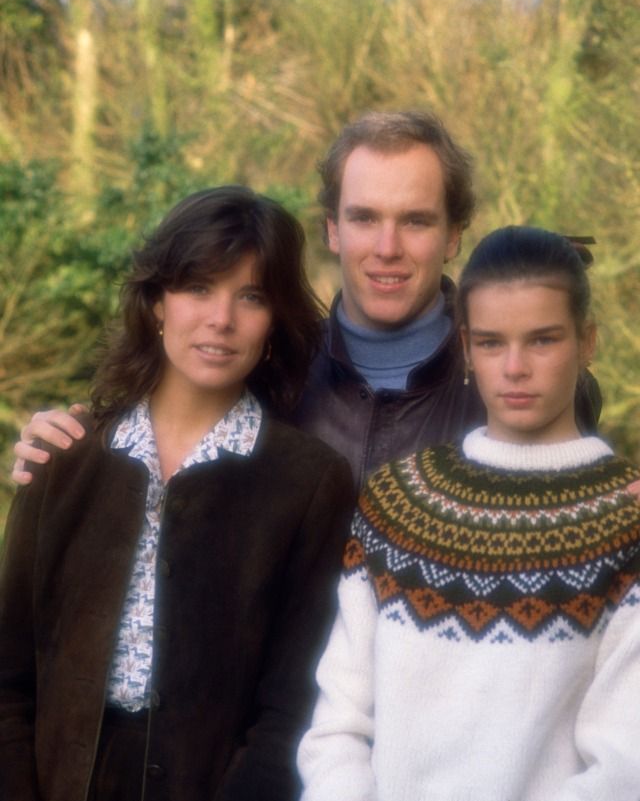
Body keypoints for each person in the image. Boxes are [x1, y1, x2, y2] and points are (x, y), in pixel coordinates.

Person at [11, 111, 602, 489]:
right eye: (364, 218)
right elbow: (161, 444)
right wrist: (69, 445)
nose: (387, 247)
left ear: (453, 236)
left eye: (415, 221)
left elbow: (588, 493)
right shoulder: (264, 372)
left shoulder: (517, 385)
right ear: (332, 231)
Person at [0, 186, 355, 801]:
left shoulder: (308, 482)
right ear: (157, 302)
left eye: (252, 296)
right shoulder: (63, 456)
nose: (221, 319)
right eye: (198, 288)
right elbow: (7, 681)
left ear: (274, 321)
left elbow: (290, 709)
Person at [298, 225, 640, 801]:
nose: (514, 367)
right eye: (490, 342)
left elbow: (624, 762)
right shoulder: (397, 502)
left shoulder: (624, 520)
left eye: (543, 340)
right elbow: (339, 725)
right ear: (464, 345)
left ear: (587, 342)